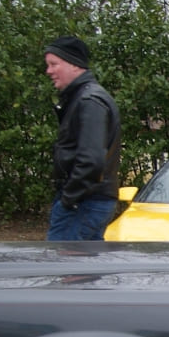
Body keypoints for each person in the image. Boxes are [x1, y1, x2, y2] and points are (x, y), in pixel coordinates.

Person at [43, 35, 121, 240]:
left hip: (84, 202)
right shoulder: (82, 98)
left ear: (74, 65)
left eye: (54, 64)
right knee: (85, 268)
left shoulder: (89, 101)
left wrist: (68, 200)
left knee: (68, 267)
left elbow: (91, 161)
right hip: (87, 200)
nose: (48, 71)